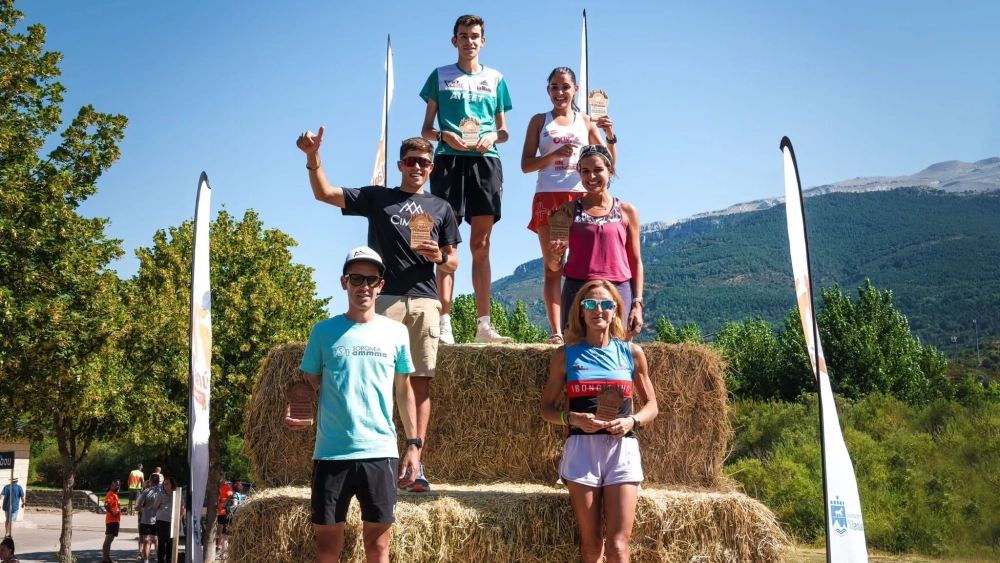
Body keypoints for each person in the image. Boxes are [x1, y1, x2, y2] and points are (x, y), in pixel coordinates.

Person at [297, 133, 462, 493]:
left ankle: (416, 462)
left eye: (424, 162)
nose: (417, 167)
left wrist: (439, 257)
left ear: (431, 168)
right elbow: (324, 193)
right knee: (379, 381)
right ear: (401, 164)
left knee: (419, 382)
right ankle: (374, 457)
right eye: (411, 161)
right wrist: (313, 156)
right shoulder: (378, 198)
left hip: (424, 301)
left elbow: (453, 261)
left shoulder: (441, 207)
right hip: (381, 300)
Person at [285, 246, 423, 563]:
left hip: (380, 452)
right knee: (327, 550)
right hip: (331, 454)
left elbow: (404, 391)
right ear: (344, 282)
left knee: (378, 549)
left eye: (371, 280)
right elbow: (309, 383)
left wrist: (414, 445)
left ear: (380, 286)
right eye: (357, 278)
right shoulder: (322, 331)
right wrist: (295, 408)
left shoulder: (397, 332)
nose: (364, 286)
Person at [540, 280, 659, 563]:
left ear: (615, 310)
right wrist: (570, 418)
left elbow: (652, 406)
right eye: (590, 304)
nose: (598, 310)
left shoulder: (632, 353)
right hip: (582, 450)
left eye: (606, 304)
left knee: (618, 546)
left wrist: (632, 421)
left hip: (622, 450)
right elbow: (546, 409)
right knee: (592, 545)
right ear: (580, 312)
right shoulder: (565, 355)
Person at [420, 14, 514, 344]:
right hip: (448, 161)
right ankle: (444, 323)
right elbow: (426, 130)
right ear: (454, 41)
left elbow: (504, 131)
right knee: (446, 245)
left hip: (486, 162)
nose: (469, 41)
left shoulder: (496, 78)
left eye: (474, 36)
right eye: (463, 35)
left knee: (481, 245)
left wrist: (492, 136)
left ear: (482, 41)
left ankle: (483, 325)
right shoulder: (440, 75)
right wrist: (443, 135)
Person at [521, 66, 617, 344]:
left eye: (565, 87)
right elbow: (526, 164)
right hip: (549, 196)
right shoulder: (539, 121)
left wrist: (610, 135)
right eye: (554, 87)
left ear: (576, 90)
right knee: (553, 266)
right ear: (548, 90)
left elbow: (609, 162)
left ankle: (587, 328)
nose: (560, 92)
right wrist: (551, 155)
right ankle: (556, 332)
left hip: (579, 197)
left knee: (586, 264)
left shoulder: (585, 120)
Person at [546, 145, 645, 337]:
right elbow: (553, 265)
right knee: (575, 351)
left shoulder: (627, 211)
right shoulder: (567, 210)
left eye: (598, 170)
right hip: (577, 292)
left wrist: (637, 304)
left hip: (618, 291)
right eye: (585, 171)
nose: (591, 176)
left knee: (618, 351)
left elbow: (635, 261)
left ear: (610, 171)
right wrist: (555, 256)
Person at [136, 474, 161, 563]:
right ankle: (159, 559)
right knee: (157, 541)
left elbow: (138, 505)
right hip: (158, 519)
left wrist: (141, 508)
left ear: (150, 481)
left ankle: (146, 560)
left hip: (146, 519)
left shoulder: (146, 492)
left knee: (146, 541)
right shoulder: (162, 491)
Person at [151, 477, 177, 563]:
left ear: (172, 484)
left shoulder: (176, 494)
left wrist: (181, 514)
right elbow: (154, 506)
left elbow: (182, 506)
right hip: (161, 521)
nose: (165, 485)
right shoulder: (161, 494)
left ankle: (169, 560)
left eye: (167, 483)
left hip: (172, 522)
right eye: (164, 483)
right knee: (161, 542)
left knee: (170, 542)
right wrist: (160, 499)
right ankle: (160, 560)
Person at [102, 480, 122, 563]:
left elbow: (115, 507)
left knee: (110, 540)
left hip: (115, 520)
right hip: (111, 520)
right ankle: (105, 559)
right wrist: (113, 513)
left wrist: (121, 511)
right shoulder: (110, 494)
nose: (118, 486)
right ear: (112, 486)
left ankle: (107, 558)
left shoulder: (115, 495)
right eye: (116, 485)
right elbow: (106, 505)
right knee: (108, 539)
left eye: (119, 485)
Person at [216, 476, 233, 555]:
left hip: (224, 511)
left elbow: (230, 497)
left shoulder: (227, 487)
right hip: (219, 511)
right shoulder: (216, 487)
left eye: (221, 478)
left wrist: (222, 500)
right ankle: (219, 546)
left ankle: (220, 548)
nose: (220, 480)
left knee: (223, 531)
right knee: (220, 530)